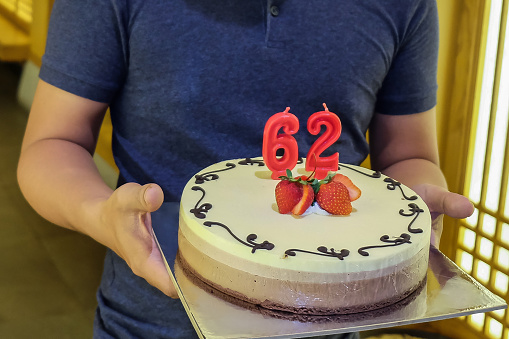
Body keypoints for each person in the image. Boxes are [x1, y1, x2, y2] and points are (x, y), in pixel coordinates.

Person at [17, 0, 474, 338]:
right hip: (151, 322)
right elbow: (52, 143)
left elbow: (410, 155)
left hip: (327, 325)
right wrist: (101, 215)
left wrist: (414, 204)